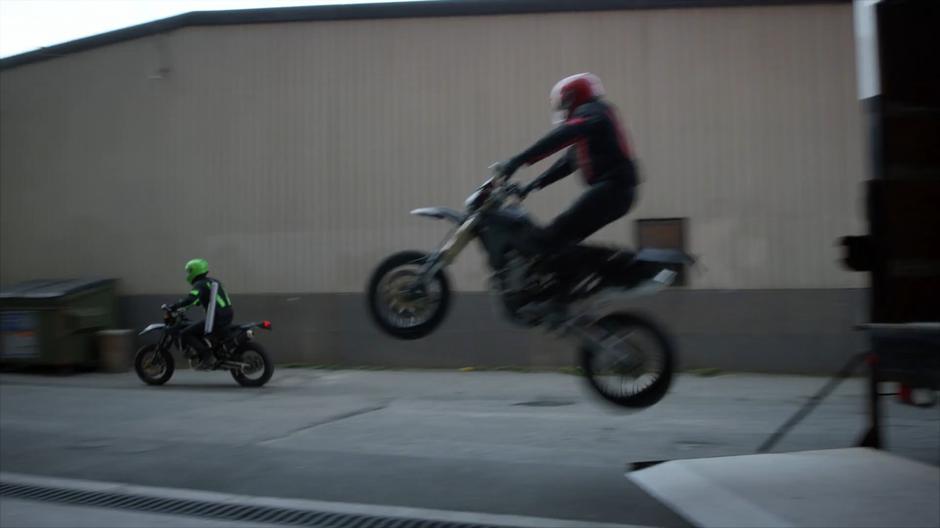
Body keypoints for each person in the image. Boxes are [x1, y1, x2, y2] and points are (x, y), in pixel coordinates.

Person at [498, 72, 639, 251]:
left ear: (574, 97)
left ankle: (610, 270)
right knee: (562, 239)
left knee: (551, 236)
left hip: (612, 189)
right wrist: (532, 186)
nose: (563, 109)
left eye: (564, 103)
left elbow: (563, 135)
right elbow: (568, 162)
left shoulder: (591, 111)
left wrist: (517, 161)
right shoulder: (596, 117)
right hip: (616, 191)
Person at [165, 258, 234, 368]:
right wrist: (185, 307)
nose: (188, 274)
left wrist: (174, 306)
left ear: (194, 271)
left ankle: (207, 357)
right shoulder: (213, 281)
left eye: (189, 271)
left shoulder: (200, 284)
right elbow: (197, 301)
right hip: (227, 314)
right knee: (200, 330)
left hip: (216, 318)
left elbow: (191, 299)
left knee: (185, 333)